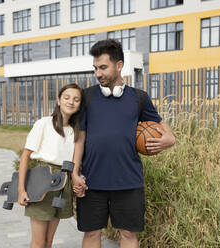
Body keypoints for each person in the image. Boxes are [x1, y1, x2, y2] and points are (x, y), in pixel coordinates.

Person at [71, 39, 176, 248]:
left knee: (128, 234)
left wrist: (170, 139)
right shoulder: (87, 96)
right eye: (95, 68)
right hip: (92, 180)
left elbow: (163, 127)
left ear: (119, 65)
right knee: (91, 234)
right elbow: (79, 137)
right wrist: (75, 172)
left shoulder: (139, 98)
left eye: (103, 67)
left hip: (128, 181)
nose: (98, 73)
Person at [17, 83, 83, 248]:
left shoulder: (77, 131)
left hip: (63, 183)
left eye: (76, 99)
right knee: (38, 243)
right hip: (43, 181)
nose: (71, 102)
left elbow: (76, 162)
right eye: (67, 97)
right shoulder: (44, 123)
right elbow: (25, 156)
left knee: (48, 242)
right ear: (59, 100)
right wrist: (21, 190)